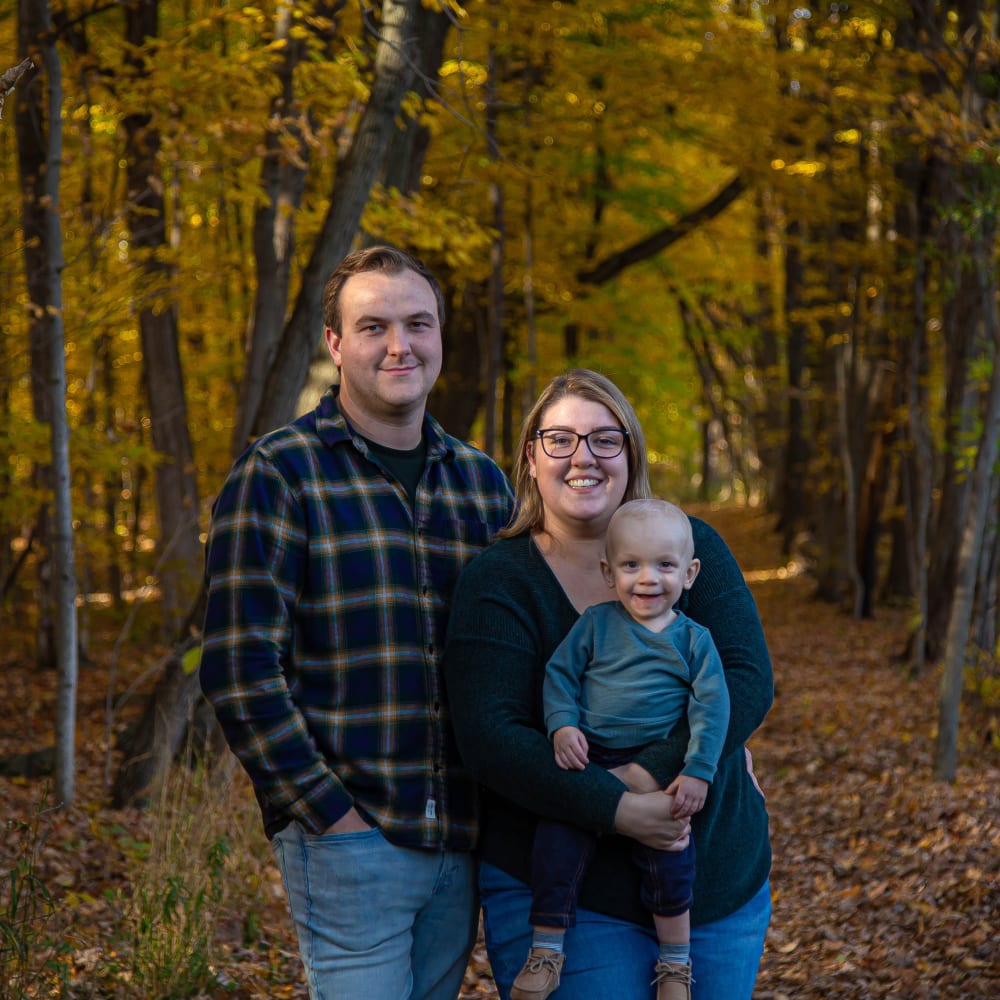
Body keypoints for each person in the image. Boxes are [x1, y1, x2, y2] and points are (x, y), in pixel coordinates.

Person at [200, 245, 515, 1000]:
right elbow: (239, 670)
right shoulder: (280, 473)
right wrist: (329, 816)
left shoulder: (482, 483)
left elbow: (532, 645)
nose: (399, 345)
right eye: (373, 326)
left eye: (418, 324)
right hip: (351, 836)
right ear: (336, 345)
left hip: (464, 840)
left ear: (441, 337)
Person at [443, 369, 772, 1000]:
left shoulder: (692, 545)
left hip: (716, 882)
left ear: (631, 454)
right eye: (560, 439)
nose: (583, 457)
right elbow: (491, 736)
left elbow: (746, 679)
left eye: (604, 439)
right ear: (531, 458)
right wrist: (617, 810)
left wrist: (646, 777)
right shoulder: (500, 580)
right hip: (566, 901)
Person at [512, 498, 731, 1000]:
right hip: (590, 756)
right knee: (555, 841)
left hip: (659, 760)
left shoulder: (694, 640)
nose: (647, 579)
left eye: (664, 566)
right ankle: (547, 948)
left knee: (672, 851)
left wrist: (697, 769)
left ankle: (675, 964)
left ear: (690, 573)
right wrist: (562, 726)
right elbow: (560, 676)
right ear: (609, 572)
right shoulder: (595, 623)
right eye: (632, 565)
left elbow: (712, 709)